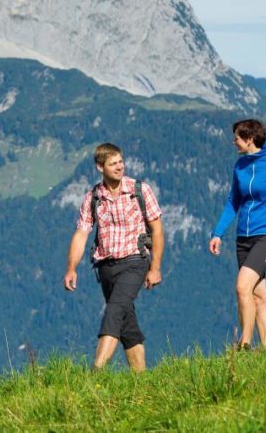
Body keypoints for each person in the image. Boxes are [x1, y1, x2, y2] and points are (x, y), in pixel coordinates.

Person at [63, 142, 164, 371]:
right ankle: (142, 380)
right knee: (126, 322)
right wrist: (71, 268)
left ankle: (95, 372)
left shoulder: (140, 190)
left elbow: (157, 229)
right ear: (100, 167)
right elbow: (81, 233)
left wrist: (155, 267)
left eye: (121, 162)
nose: (119, 167)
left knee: (114, 311)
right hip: (106, 267)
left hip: (135, 262)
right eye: (113, 163)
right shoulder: (93, 197)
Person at [208, 118, 266, 350]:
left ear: (250, 139)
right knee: (258, 296)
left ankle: (244, 345)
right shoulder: (240, 166)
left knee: (242, 287)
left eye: (237, 137)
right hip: (243, 238)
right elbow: (233, 202)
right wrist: (218, 233)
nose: (233, 142)